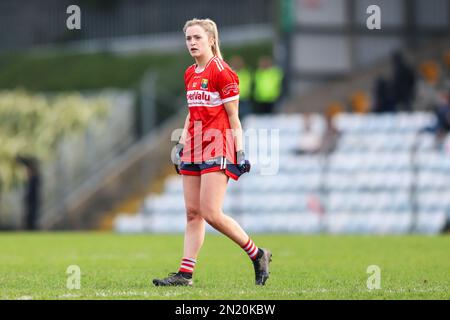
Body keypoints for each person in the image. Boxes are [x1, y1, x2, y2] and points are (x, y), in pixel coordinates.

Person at [152, 18, 272, 287]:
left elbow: (234, 117)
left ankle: (257, 254)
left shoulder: (223, 72)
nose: (192, 43)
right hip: (194, 145)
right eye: (188, 39)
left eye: (197, 38)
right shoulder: (190, 73)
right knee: (192, 213)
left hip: (218, 145)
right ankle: (185, 274)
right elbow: (191, 113)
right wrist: (181, 145)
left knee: (210, 212)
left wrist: (239, 152)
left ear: (211, 40)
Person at [15, 155, 41, 231]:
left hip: (33, 200)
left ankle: (31, 229)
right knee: (29, 216)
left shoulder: (35, 178)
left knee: (32, 216)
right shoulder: (30, 179)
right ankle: (29, 229)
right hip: (30, 200)